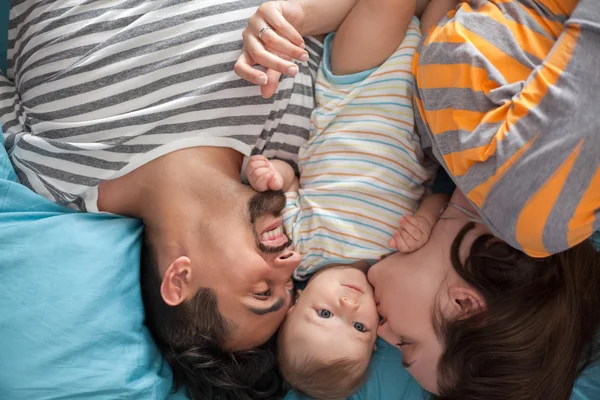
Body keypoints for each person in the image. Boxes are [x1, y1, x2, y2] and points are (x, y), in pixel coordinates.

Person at [235, 0, 600, 399]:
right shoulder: (532, 213)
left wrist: (298, 19)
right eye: (406, 343)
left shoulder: (442, 156)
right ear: (463, 306)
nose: (382, 332)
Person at [0, 0, 325, 398]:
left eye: (262, 291)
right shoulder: (289, 139)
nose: (290, 261)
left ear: (180, 278)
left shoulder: (49, 174)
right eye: (288, 284)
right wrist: (301, 14)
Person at [242, 0, 442, 397]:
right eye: (359, 328)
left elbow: (290, 182)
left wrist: (268, 174)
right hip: (421, 103)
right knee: (447, 22)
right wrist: (426, 220)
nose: (349, 307)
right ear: (377, 335)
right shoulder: (394, 266)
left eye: (325, 313)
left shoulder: (301, 247)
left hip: (355, 86)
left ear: (295, 304)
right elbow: (439, 199)